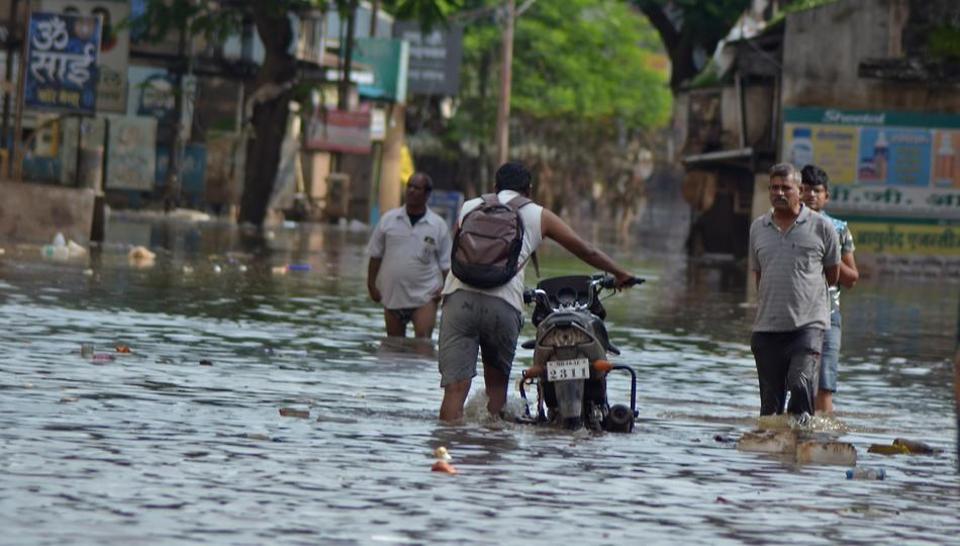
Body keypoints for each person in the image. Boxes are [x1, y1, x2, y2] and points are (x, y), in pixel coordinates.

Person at [437, 161, 637, 422]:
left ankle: (446, 449)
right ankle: (489, 452)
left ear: (494, 186)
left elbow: (458, 252)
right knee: (496, 388)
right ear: (529, 189)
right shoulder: (537, 214)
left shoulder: (469, 206)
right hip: (503, 303)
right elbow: (585, 250)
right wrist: (620, 273)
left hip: (458, 300)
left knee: (455, 390)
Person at [749, 163, 840, 418]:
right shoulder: (758, 227)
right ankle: (772, 450)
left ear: (799, 190)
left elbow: (832, 275)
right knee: (770, 406)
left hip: (807, 326)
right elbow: (759, 275)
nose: (779, 193)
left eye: (785, 188)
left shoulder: (822, 227)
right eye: (774, 188)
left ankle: (802, 446)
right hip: (767, 328)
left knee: (801, 385)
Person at [800, 164, 859, 414]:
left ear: (826, 196)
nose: (811, 195)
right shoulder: (785, 224)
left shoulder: (838, 228)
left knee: (824, 383)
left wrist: (827, 254)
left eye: (817, 190)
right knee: (795, 382)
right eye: (806, 190)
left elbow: (851, 278)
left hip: (828, 314)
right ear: (797, 192)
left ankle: (822, 439)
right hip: (795, 314)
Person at [366, 173, 452, 338]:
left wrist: (444, 290)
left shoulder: (437, 225)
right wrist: (371, 285)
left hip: (425, 296)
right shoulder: (388, 220)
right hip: (393, 296)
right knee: (394, 346)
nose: (411, 191)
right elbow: (375, 255)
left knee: (422, 344)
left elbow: (446, 264)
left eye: (417, 188)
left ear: (427, 194)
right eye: (409, 186)